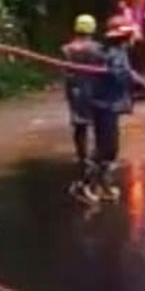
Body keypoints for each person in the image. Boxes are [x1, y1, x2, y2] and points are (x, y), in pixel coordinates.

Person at [83, 15, 145, 204]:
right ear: (123, 35)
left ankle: (103, 185)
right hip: (104, 106)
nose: (133, 37)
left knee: (110, 149)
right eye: (130, 33)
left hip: (110, 105)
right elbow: (122, 74)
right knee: (106, 148)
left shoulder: (118, 50)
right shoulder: (110, 53)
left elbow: (127, 72)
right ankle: (85, 185)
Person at [62, 14, 102, 177]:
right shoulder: (98, 48)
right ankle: (98, 156)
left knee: (79, 124)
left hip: (75, 88)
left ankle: (82, 156)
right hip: (94, 88)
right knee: (99, 122)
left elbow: (65, 72)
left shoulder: (66, 49)